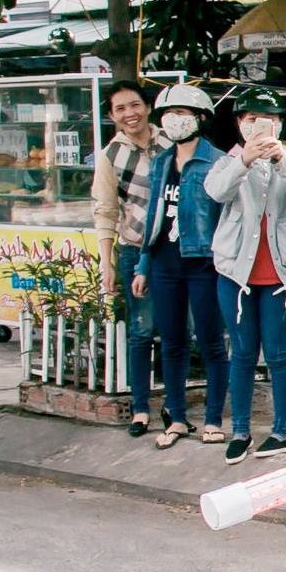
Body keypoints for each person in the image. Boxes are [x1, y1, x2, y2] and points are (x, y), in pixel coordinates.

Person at [205, 87, 286, 464]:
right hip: (235, 273)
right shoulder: (227, 162)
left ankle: (282, 432)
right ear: (239, 124)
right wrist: (245, 160)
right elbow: (216, 192)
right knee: (242, 354)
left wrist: (281, 159)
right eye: (251, 119)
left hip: (283, 275)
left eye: (268, 119)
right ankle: (240, 432)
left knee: (277, 354)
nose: (259, 126)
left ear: (280, 125)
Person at [136, 83, 225, 447]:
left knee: (211, 342)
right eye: (168, 114)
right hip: (164, 262)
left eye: (182, 113)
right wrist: (143, 263)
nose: (174, 120)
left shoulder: (218, 162)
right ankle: (176, 417)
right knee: (171, 342)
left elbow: (225, 216)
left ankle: (213, 420)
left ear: (201, 118)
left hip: (204, 261)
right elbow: (153, 216)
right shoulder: (160, 162)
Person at [89, 80, 158, 437]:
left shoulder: (171, 142)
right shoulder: (110, 155)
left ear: (148, 107)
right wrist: (107, 263)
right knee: (141, 330)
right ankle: (140, 408)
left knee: (182, 329)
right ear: (112, 116)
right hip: (134, 248)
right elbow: (106, 211)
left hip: (174, 251)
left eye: (135, 105)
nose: (130, 113)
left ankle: (177, 409)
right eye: (120, 109)